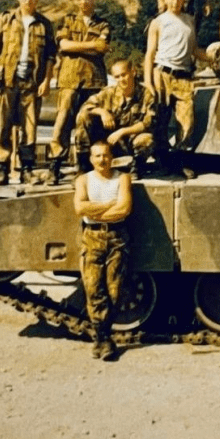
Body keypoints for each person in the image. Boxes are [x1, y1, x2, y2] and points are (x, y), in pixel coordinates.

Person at [0, 0, 56, 184]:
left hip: (32, 83)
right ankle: (1, 169)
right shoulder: (6, 19)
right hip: (7, 80)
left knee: (29, 128)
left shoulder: (44, 24)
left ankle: (27, 169)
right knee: (2, 125)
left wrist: (47, 80)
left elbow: (51, 56)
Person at [73, 140, 133, 361]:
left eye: (106, 155)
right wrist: (110, 205)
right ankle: (102, 338)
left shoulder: (122, 178)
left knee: (115, 291)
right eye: (97, 156)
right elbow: (80, 208)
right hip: (92, 238)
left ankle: (103, 336)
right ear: (91, 159)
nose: (102, 160)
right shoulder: (83, 180)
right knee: (93, 289)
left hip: (117, 238)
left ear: (112, 158)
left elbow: (124, 208)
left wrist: (95, 211)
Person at [49, 0, 110, 176]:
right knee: (63, 121)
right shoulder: (67, 21)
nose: (83, 2)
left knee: (91, 121)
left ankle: (86, 165)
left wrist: (76, 47)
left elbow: (102, 47)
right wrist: (91, 45)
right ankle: (55, 164)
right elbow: (64, 45)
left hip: (94, 80)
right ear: (75, 1)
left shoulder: (103, 24)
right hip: (70, 79)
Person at [144, 0, 207, 159]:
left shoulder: (189, 21)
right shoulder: (158, 22)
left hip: (184, 77)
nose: (175, 1)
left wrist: (213, 58)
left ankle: (182, 160)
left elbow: (194, 49)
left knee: (186, 122)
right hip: (163, 74)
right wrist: (148, 81)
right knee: (160, 120)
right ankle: (162, 160)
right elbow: (150, 53)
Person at [74, 60, 156, 176]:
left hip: (130, 142)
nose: (121, 80)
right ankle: (84, 165)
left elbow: (148, 123)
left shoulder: (147, 95)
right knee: (83, 116)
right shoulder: (108, 93)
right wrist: (103, 112)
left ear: (133, 72)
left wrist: (122, 131)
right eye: (117, 77)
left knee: (147, 139)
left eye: (124, 75)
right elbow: (86, 107)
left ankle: (136, 166)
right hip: (110, 143)